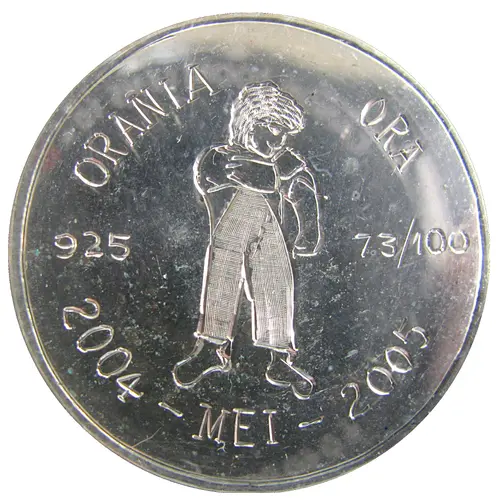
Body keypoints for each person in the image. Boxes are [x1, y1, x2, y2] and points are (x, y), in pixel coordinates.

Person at [172, 82, 322, 399]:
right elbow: (250, 175)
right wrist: (282, 172)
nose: (280, 140)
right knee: (226, 262)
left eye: (285, 133)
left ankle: (279, 356)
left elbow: (301, 189)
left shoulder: (281, 163)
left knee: (276, 279)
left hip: (268, 235)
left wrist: (308, 230)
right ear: (250, 124)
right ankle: (211, 346)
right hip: (230, 233)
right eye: (274, 129)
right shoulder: (219, 157)